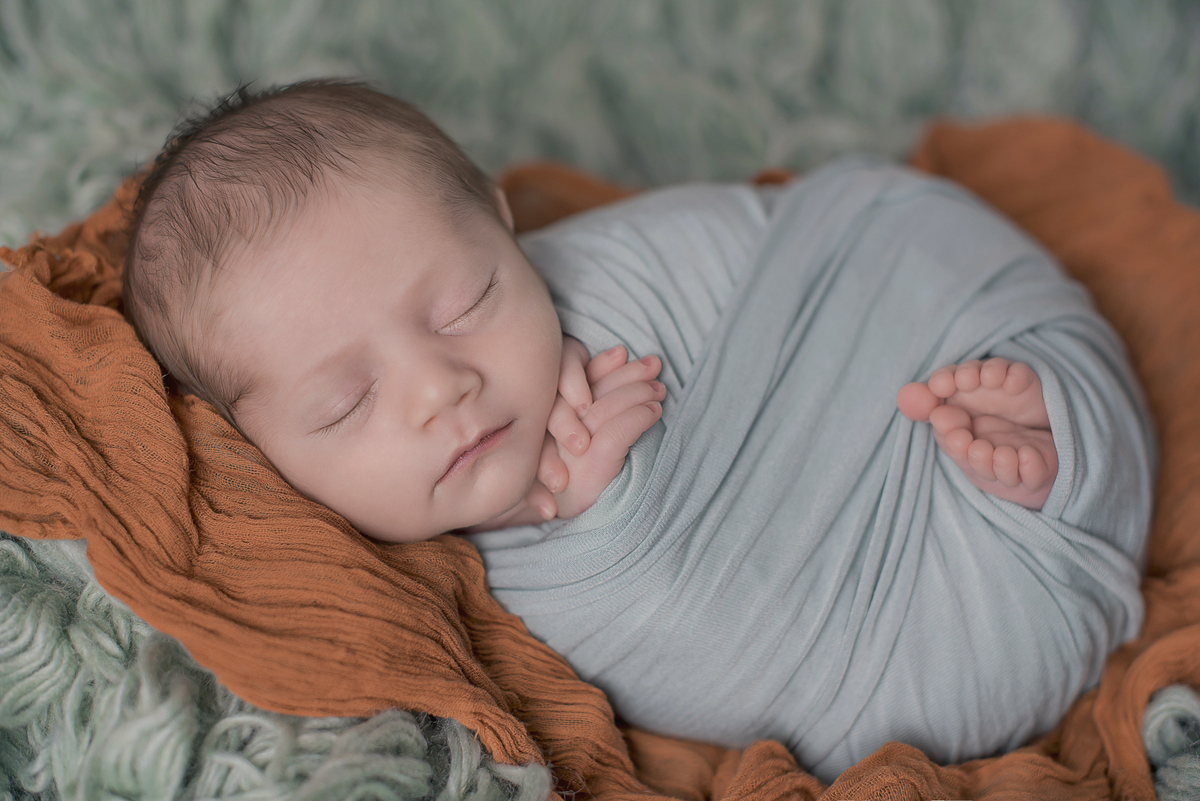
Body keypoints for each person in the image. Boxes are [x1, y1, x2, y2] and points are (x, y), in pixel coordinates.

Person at [123, 80, 1155, 782]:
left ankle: (1058, 445)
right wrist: (595, 536)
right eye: (346, 404)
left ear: (499, 216)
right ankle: (1049, 488)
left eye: (466, 301)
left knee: (1019, 375)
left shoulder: (620, 287)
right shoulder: (385, 586)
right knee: (942, 664)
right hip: (927, 637)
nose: (442, 387)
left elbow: (818, 246)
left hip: (904, 273)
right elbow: (694, 625)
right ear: (252, 450)